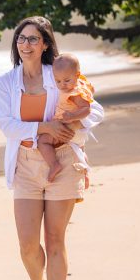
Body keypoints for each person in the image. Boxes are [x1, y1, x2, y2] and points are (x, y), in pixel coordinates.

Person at [0, 16, 104, 280]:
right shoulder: (5, 82)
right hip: (25, 163)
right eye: (21, 38)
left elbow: (95, 109)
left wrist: (71, 123)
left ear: (44, 45)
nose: (25, 44)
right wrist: (45, 127)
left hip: (63, 162)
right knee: (27, 245)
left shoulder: (59, 73)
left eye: (32, 39)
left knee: (55, 239)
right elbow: (7, 125)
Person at [36, 53, 95, 184]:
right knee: (79, 149)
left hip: (67, 126)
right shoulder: (80, 85)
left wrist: (72, 116)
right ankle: (85, 173)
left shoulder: (74, 93)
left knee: (43, 141)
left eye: (67, 80)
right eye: (58, 81)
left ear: (77, 75)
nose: (62, 85)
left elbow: (87, 109)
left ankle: (54, 165)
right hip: (75, 130)